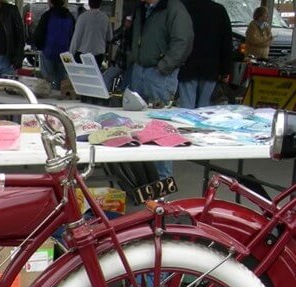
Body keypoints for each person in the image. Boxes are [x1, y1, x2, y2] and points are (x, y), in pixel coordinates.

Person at [126, 0, 193, 178]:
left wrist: (164, 66)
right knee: (138, 127)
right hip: (140, 70)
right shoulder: (142, 8)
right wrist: (134, 58)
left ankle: (163, 182)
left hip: (159, 75)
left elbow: (183, 41)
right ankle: (146, 182)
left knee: (160, 130)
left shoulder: (174, 8)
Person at [177, 0, 231, 109]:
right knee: (205, 108)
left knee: (186, 108)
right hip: (210, 66)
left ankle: (185, 124)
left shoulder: (182, 8)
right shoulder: (219, 10)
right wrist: (225, 70)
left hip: (187, 64)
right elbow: (226, 43)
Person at [33, 0, 75, 94]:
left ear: (50, 2)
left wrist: (39, 46)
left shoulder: (47, 15)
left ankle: (49, 98)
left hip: (48, 51)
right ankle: (59, 95)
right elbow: (73, 34)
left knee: (47, 79)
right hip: (65, 54)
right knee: (61, 79)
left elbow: (39, 33)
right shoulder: (70, 17)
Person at [68, 0, 112, 68]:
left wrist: (70, 55)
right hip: (99, 55)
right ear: (100, 4)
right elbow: (109, 37)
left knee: (82, 76)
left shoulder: (82, 18)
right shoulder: (106, 18)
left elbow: (76, 39)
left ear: (89, 3)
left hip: (83, 55)